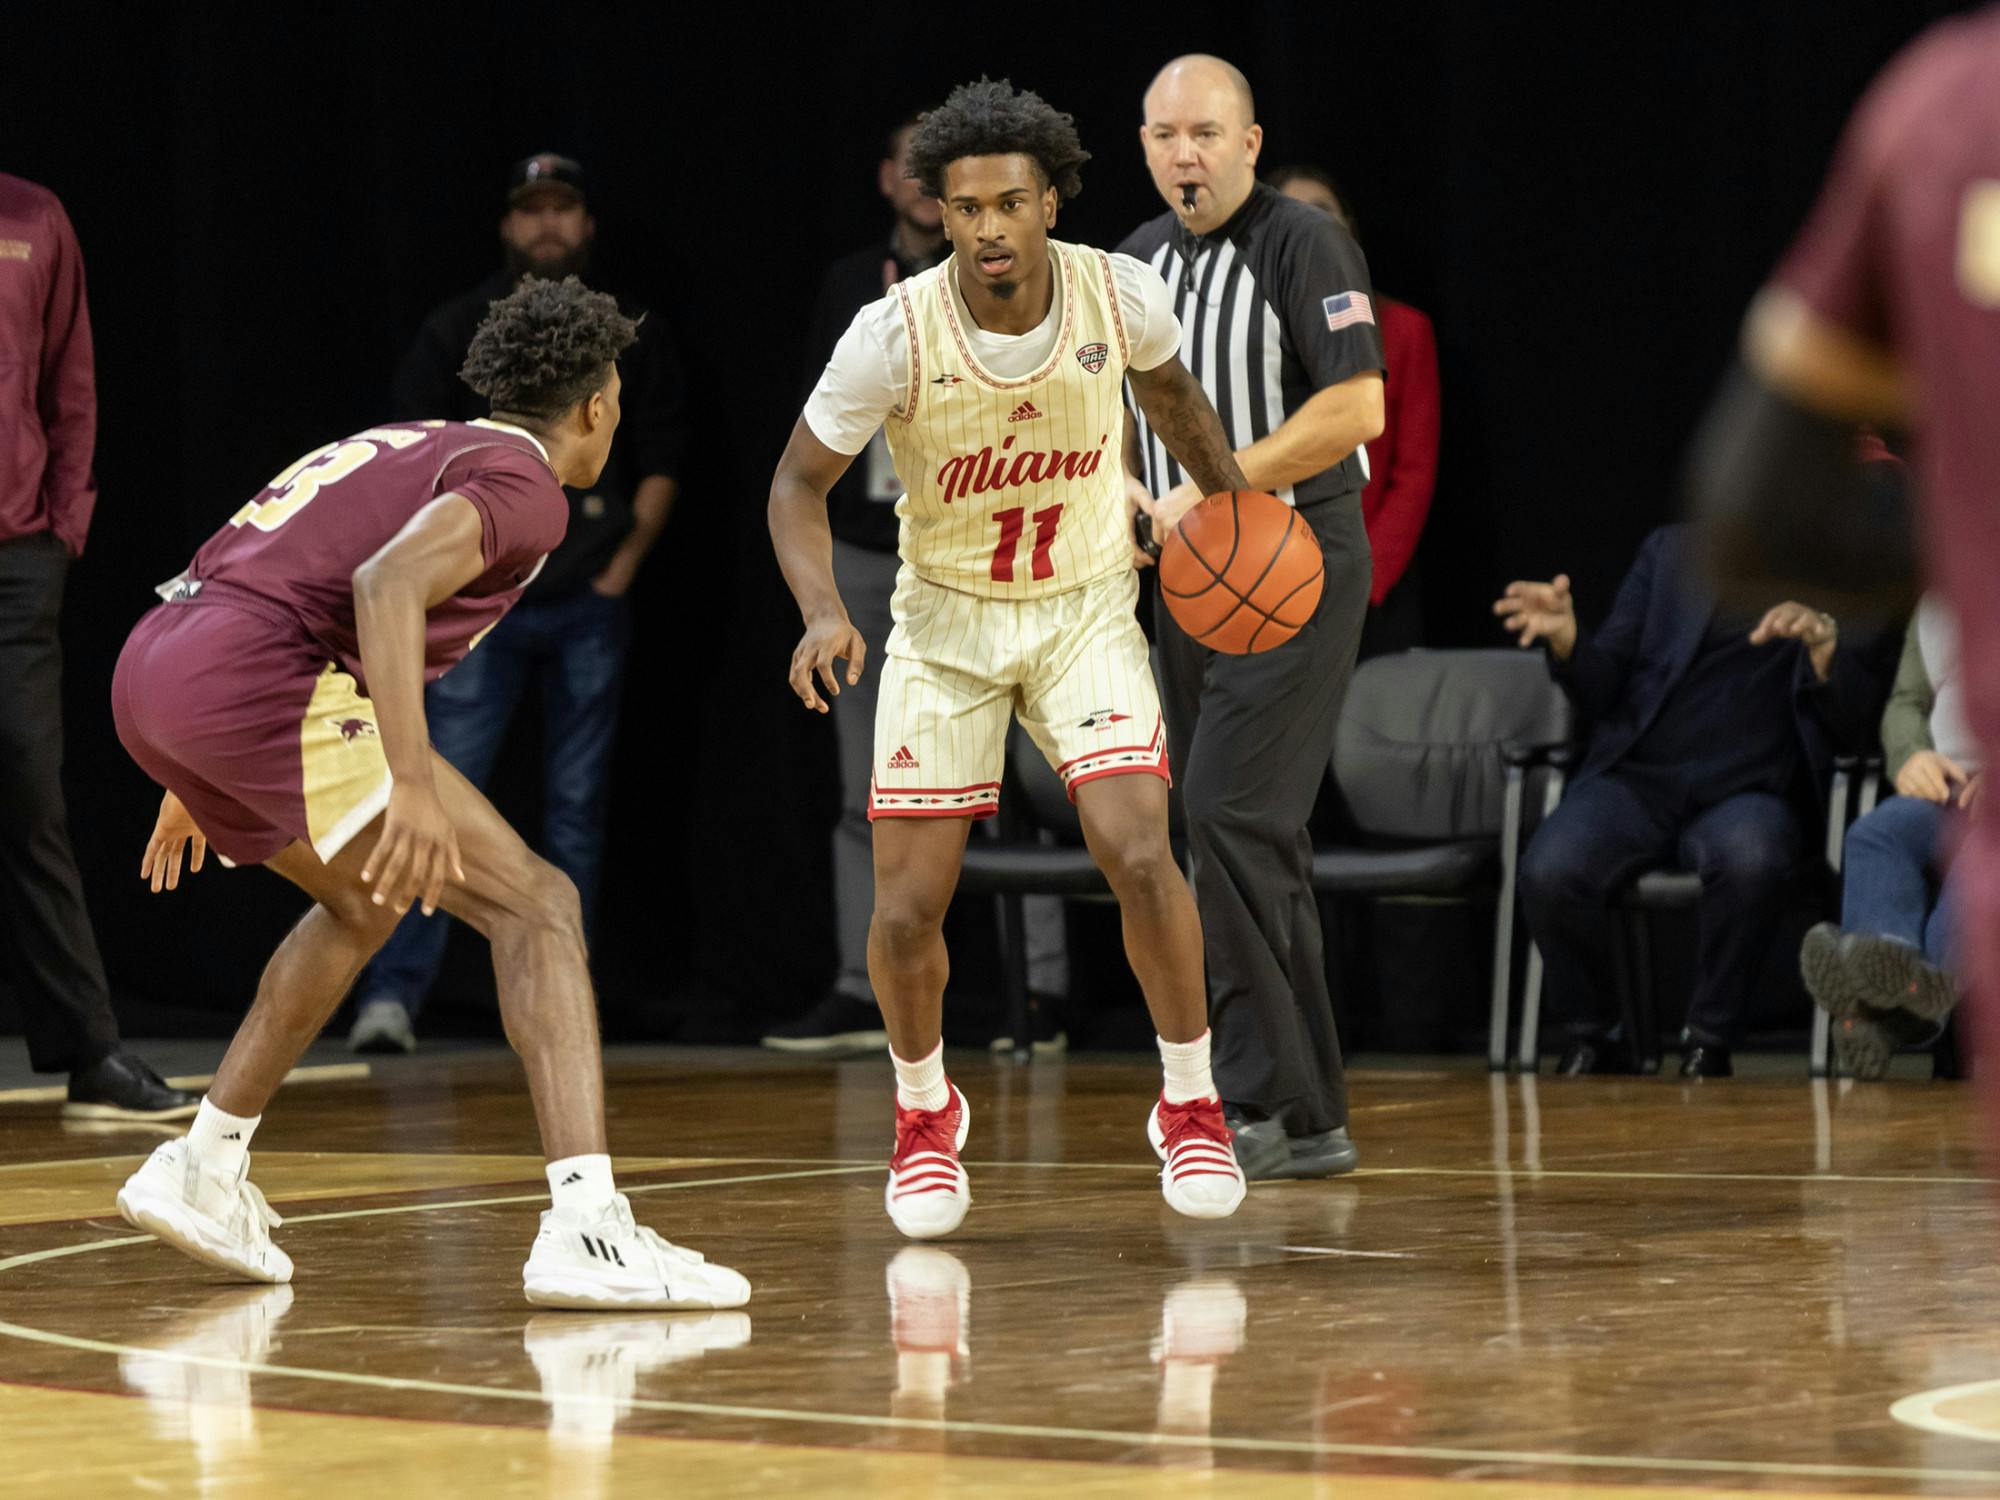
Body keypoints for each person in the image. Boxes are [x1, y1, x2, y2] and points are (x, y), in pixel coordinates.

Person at [109, 277, 747, 1311]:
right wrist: (408, 776)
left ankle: (204, 1166)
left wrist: (191, 759)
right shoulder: (526, 488)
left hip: (162, 662)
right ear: (593, 408)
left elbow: (262, 563)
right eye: (618, 399)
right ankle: (587, 1228)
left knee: (362, 905)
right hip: (250, 681)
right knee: (537, 904)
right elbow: (384, 586)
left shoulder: (412, 439)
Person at [768, 79, 1253, 1238]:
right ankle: (924, 1113)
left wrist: (1230, 510)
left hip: (1083, 606)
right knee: (905, 909)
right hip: (943, 626)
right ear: (935, 208)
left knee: (1140, 848)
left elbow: (1176, 403)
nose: (986, 227)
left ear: (1049, 203)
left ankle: (1190, 1102)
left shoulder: (1115, 292)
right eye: (964, 206)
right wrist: (823, 610)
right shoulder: (891, 332)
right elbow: (794, 484)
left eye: (1009, 203)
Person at [1684, 15, 2000, 1121]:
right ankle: (1893, 992)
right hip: (1958, 797)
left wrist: (1956, 531)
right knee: (1898, 830)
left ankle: (1901, 999)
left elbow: (1748, 505)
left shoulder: (1940, 108)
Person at [348, 153, 686, 1054]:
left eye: (562, 209)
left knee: (573, 803)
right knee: (433, 785)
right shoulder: (466, 354)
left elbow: (663, 457)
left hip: (582, 594)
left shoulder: (628, 343)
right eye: (530, 210)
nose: (546, 226)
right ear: (507, 225)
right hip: (475, 607)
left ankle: (559, 990)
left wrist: (623, 564)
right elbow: (401, 470)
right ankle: (393, 990)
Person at [1120, 56, 1384, 1180]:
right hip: (1185, 571)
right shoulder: (1128, 262)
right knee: (1236, 834)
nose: (1185, 153)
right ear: (1143, 146)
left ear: (1247, 142)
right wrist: (1120, 491)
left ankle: (1250, 1099)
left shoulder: (1302, 243)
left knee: (1228, 814)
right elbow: (1104, 402)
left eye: (1205, 134)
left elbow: (1356, 406)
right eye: (1165, 134)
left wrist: (1220, 479)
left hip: (1291, 559)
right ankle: (1305, 1112)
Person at [763, 119, 1072, 1058]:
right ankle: (868, 992)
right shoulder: (860, 293)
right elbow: (813, 446)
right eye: (914, 170)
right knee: (876, 787)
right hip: (870, 552)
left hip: (1000, 547)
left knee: (1039, 774)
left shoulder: (1035, 281)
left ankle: (1044, 991)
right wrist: (825, 600)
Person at [1497, 524, 1897, 1076]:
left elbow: (1856, 726)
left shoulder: (1840, 571)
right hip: (1640, 779)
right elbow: (1603, 687)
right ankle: (1603, 1033)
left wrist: (1825, 648)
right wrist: (1568, 640)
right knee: (1549, 870)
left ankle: (1708, 1037)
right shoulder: (1671, 553)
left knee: (1751, 861)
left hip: (1752, 786)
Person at [0, 171, 198, 1122]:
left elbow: (68, 384)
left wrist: (63, 525)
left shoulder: (33, 217)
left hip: (15, 552)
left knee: (28, 784)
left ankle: (90, 1054)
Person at [1269, 165, 1439, 659]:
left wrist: (1365, 579)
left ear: (1349, 229)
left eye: (1321, 213)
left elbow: (1414, 473)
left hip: (1370, 592)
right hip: (1268, 581)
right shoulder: (1250, 336)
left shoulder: (1404, 330)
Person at [1802, 593, 1972, 1077]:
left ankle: (1891, 1007)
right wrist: (1912, 755)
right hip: (1943, 786)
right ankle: (1885, 969)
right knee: (1874, 835)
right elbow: (1906, 703)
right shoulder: (1938, 600)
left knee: (1981, 860)